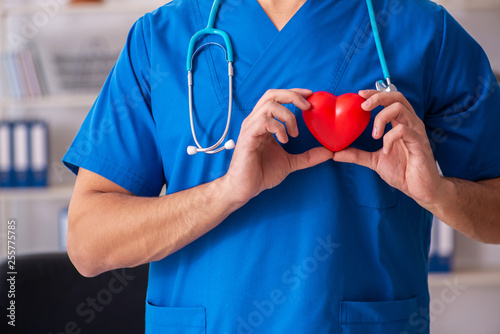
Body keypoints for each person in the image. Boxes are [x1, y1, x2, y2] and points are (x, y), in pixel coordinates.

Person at [63, 0, 500, 332]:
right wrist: (227, 192)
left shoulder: (423, 31)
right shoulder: (161, 39)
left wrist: (438, 193)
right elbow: (88, 242)